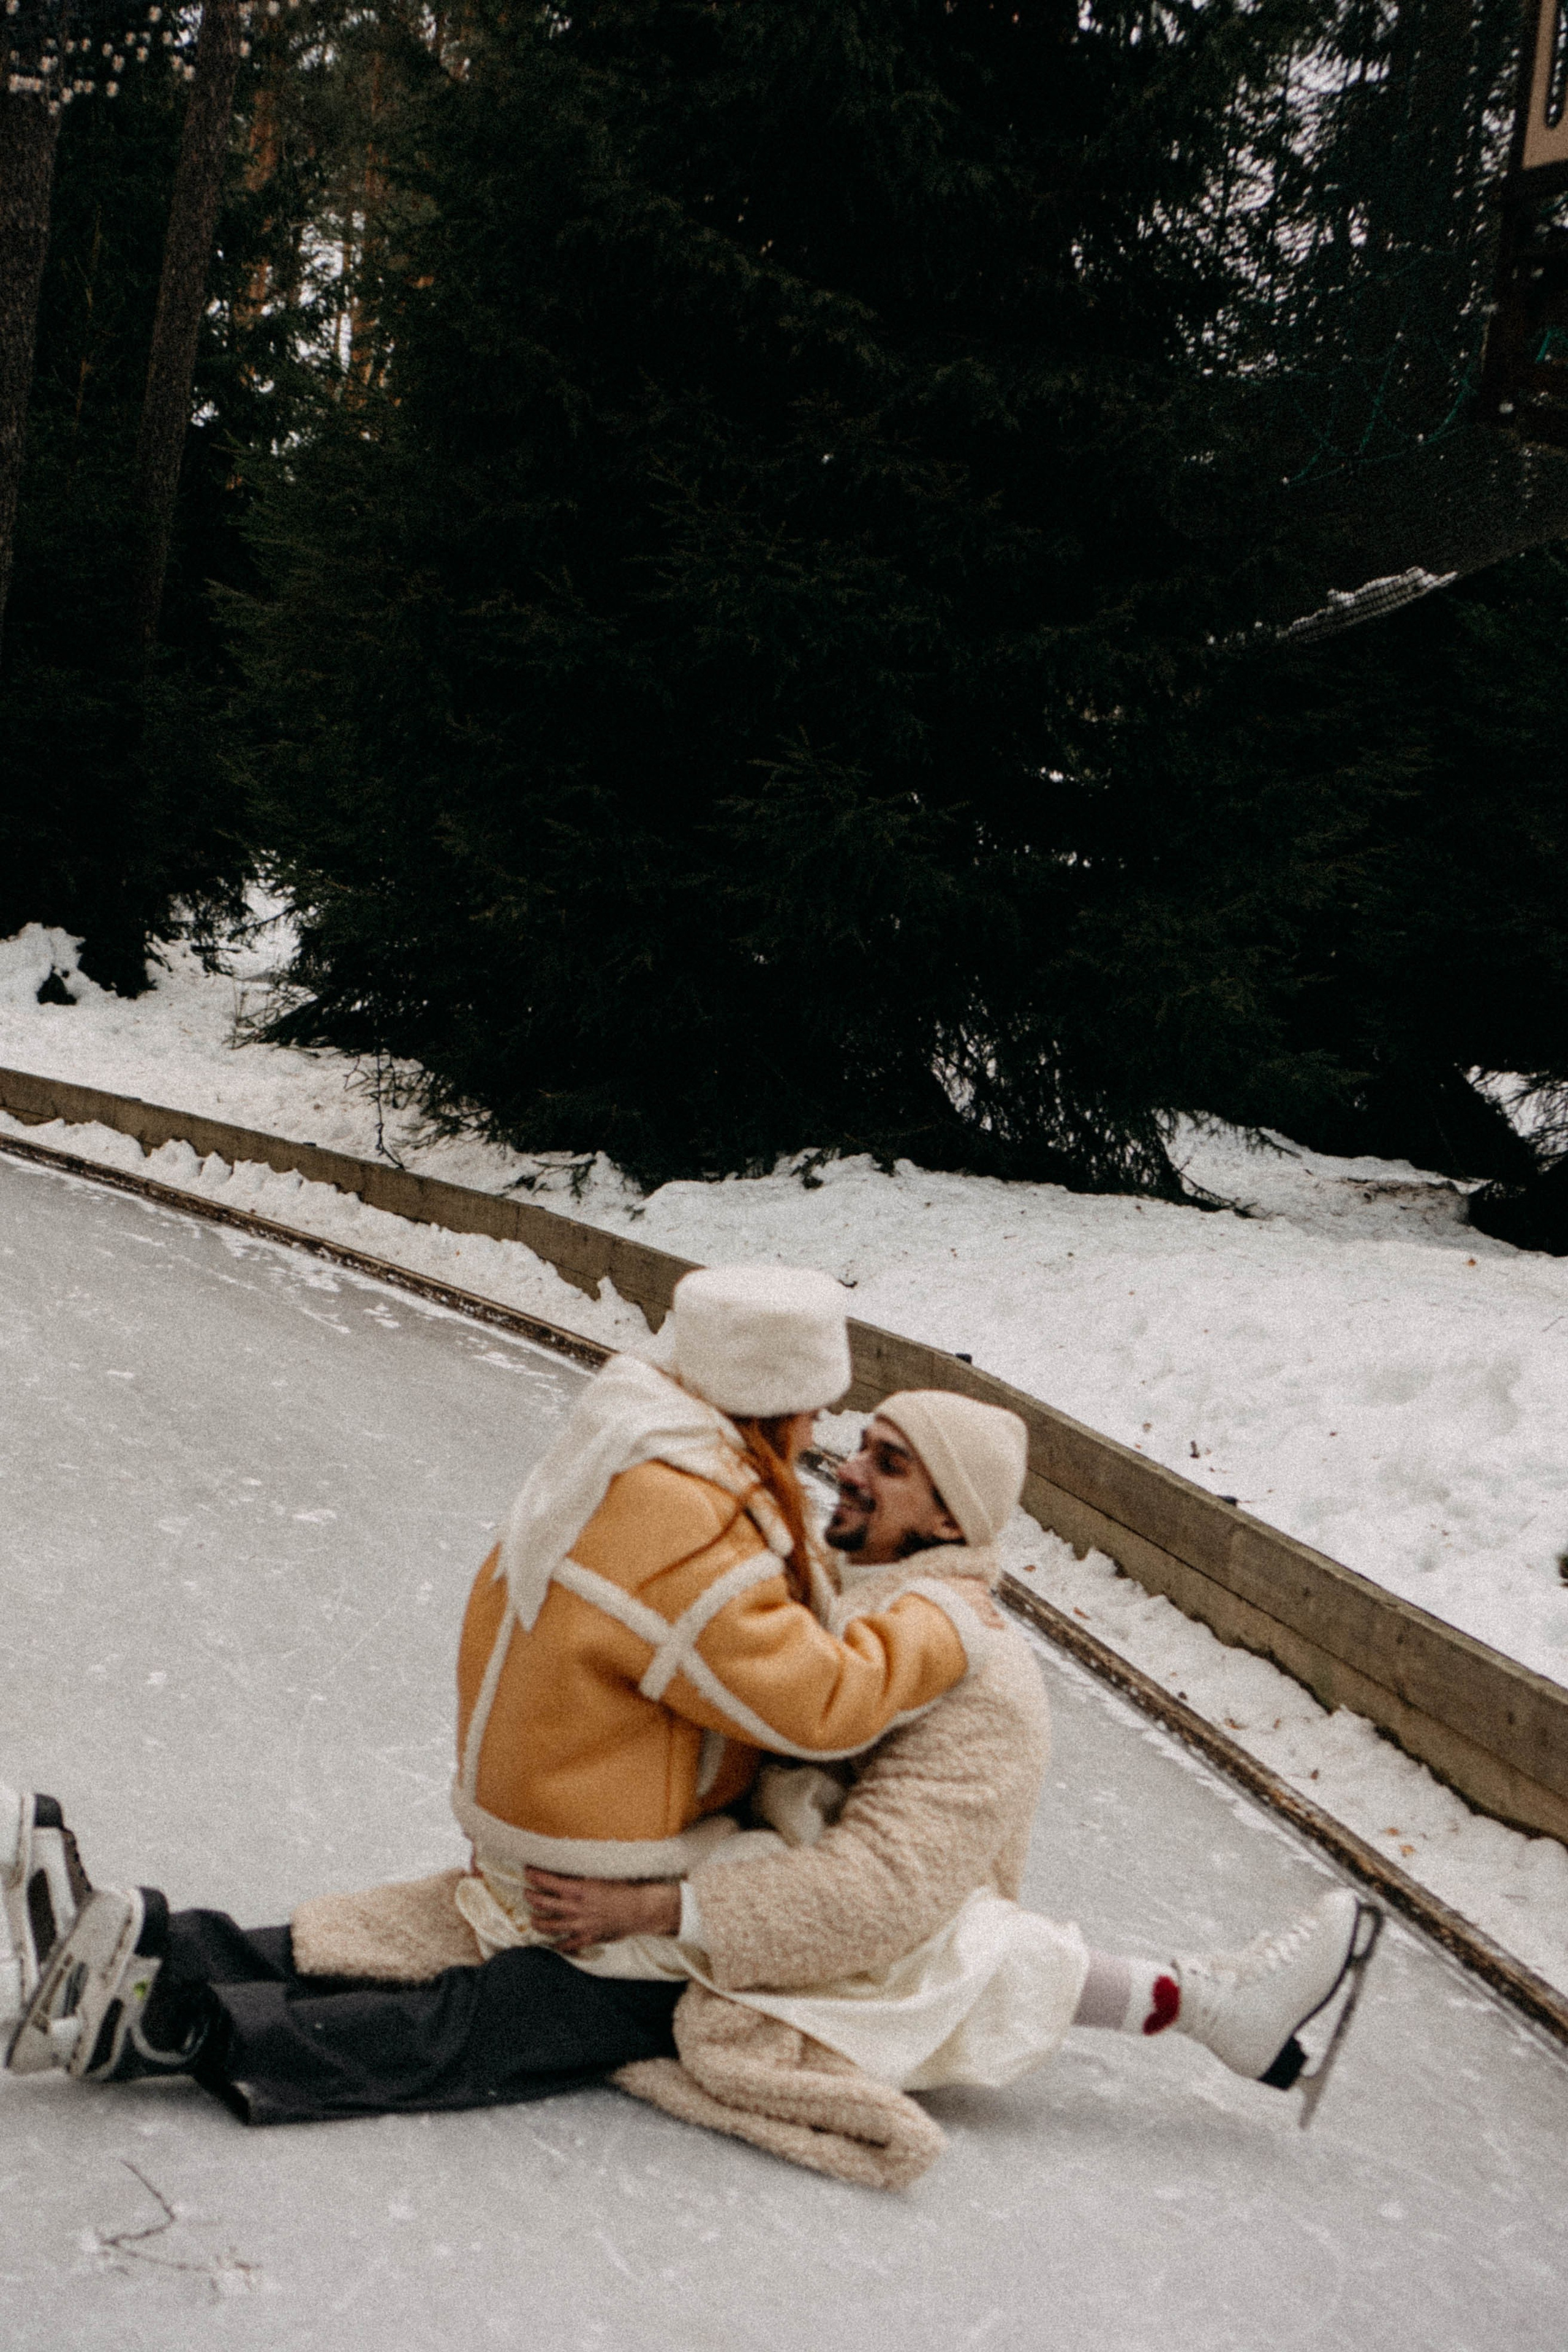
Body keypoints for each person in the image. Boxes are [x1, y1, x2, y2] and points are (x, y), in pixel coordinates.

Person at [3, 1266, 993, 2119]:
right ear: (775, 1398)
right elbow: (824, 1702)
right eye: (819, 1411)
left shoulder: (627, 1451)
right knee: (512, 2021)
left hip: (542, 1808)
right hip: (598, 1855)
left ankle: (144, 1942)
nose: (827, 1443)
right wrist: (940, 1621)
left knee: (384, 1939)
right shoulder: (697, 1529)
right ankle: (172, 2028)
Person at [518, 1393, 1379, 2185]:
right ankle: (1202, 1999)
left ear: (947, 1517)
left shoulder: (983, 1681)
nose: (850, 1469)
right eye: (861, 1447)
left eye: (890, 1464)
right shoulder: (839, 1587)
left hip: (881, 1915)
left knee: (964, 1946)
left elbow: (877, 1897)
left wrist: (650, 1909)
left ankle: (1204, 2000)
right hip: (796, 1864)